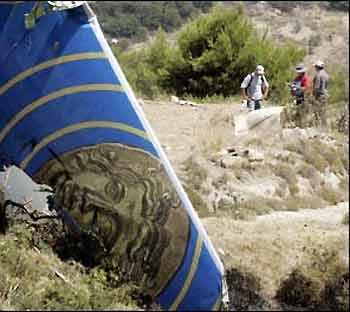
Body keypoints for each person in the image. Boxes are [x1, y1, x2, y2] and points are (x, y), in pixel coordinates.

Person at [312, 60, 329, 127]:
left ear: (317, 67)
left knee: (318, 112)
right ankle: (324, 126)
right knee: (323, 112)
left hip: (319, 96)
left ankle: (318, 127)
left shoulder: (318, 75)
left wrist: (314, 96)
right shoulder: (326, 75)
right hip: (325, 95)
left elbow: (316, 87)